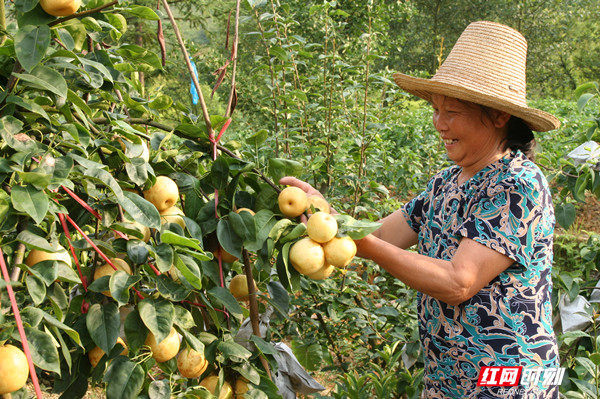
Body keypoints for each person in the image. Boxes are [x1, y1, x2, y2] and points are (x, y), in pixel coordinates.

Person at [280, 21, 561, 398]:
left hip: (508, 382)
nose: (439, 124)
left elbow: (458, 282)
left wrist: (354, 242)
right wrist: (326, 213)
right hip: (450, 381)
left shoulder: (518, 184)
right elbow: (381, 234)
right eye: (436, 110)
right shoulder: (446, 184)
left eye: (453, 112)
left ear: (499, 116)